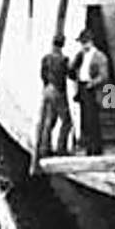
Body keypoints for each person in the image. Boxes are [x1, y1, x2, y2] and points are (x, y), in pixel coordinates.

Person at [31, 35, 73, 175]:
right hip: (58, 91)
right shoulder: (64, 60)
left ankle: (44, 148)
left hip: (47, 89)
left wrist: (47, 85)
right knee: (66, 121)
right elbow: (70, 74)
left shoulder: (46, 58)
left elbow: (42, 74)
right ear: (63, 45)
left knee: (50, 120)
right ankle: (61, 148)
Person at [69, 27, 111, 156]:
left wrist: (92, 83)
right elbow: (72, 69)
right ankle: (89, 147)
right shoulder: (81, 55)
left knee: (93, 120)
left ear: (90, 42)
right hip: (82, 87)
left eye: (84, 42)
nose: (82, 45)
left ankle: (96, 148)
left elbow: (104, 76)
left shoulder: (99, 56)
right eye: (82, 43)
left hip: (92, 89)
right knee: (85, 120)